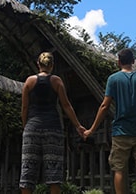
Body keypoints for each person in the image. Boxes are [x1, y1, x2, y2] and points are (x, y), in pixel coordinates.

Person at [84, 48, 136, 194]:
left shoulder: (113, 79)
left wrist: (92, 129)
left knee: (119, 169)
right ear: (133, 61)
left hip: (121, 131)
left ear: (118, 62)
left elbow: (105, 105)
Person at [19, 52, 86, 194]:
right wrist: (78, 125)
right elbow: (66, 105)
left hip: (32, 127)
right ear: (52, 65)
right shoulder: (57, 81)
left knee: (28, 171)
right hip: (53, 128)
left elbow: (24, 107)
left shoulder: (29, 81)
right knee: (54, 173)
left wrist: (26, 126)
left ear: (38, 64)